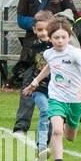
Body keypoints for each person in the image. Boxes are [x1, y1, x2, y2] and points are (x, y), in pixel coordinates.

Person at [22, 19, 81, 161]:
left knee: (70, 136)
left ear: (69, 37)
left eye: (63, 37)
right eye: (56, 37)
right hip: (56, 97)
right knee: (56, 131)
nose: (60, 41)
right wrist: (35, 82)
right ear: (50, 38)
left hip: (75, 100)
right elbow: (49, 67)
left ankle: (64, 125)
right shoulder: (49, 53)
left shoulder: (74, 53)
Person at [12, 14, 55, 153]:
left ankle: (44, 142)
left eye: (46, 29)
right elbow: (29, 65)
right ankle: (41, 145)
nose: (43, 33)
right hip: (39, 88)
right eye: (40, 30)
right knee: (45, 111)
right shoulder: (34, 47)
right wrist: (18, 76)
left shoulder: (58, 46)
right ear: (34, 30)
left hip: (56, 88)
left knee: (52, 118)